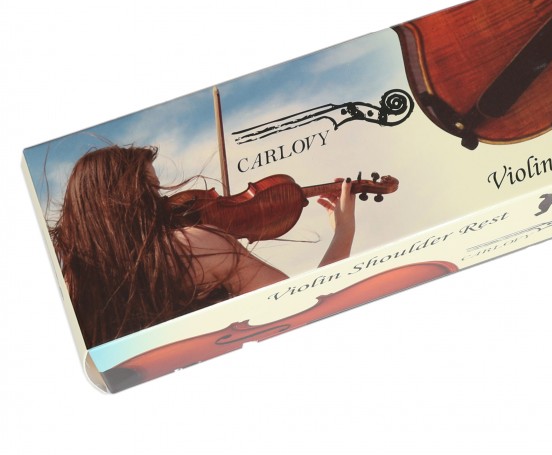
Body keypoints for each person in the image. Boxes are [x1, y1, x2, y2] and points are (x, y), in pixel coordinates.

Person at [49, 145, 357, 349]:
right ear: (126, 198)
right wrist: (344, 231)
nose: (164, 201)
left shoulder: (71, 283)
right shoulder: (194, 245)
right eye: (152, 190)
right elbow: (303, 306)